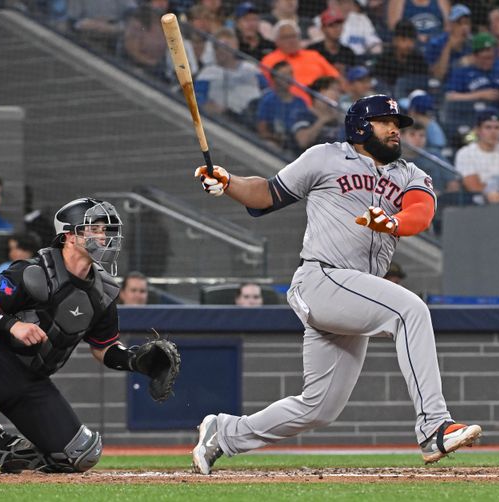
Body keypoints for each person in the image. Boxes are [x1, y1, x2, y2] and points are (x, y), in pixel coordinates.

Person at [189, 94, 482, 475]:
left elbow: (420, 212)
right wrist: (228, 182)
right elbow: (267, 194)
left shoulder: (409, 173)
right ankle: (433, 426)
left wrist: (393, 223)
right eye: (384, 121)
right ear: (360, 126)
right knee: (410, 311)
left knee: (319, 407)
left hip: (354, 290)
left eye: (397, 124)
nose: (395, 129)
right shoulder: (324, 157)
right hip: (321, 277)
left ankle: (224, 433)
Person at [0, 198, 179, 472]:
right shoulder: (33, 271)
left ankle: (0, 449)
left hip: (34, 380)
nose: (103, 236)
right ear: (70, 236)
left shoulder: (104, 291)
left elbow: (103, 347)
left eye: (106, 230)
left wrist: (135, 361)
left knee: (80, 454)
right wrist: (13, 325)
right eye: (93, 228)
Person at [260, 20, 341, 106]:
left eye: (294, 36)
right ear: (276, 41)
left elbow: (335, 78)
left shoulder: (313, 55)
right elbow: (269, 88)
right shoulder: (269, 61)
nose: (291, 41)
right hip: (288, 105)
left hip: (319, 103)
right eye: (286, 37)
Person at [196, 28, 262, 117]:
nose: (220, 50)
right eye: (216, 46)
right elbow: (198, 98)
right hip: (224, 120)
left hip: (252, 117)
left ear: (235, 46)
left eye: (225, 46)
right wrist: (209, 107)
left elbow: (265, 91)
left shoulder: (251, 69)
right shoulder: (207, 73)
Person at [453, 109, 499, 193]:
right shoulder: (466, 153)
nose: (493, 132)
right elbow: (474, 188)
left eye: (497, 128)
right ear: (478, 130)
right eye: (488, 127)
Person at [444, 32, 499, 104]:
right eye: (486, 58)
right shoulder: (462, 73)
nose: (489, 61)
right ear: (475, 55)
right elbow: (449, 97)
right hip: (472, 112)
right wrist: (479, 95)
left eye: (492, 58)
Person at [255, 61, 309, 151]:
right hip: (275, 144)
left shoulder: (300, 102)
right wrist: (277, 138)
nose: (289, 78)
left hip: (296, 145)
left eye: (290, 73)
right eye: (284, 74)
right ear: (275, 78)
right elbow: (262, 130)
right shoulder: (268, 99)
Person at [372, 20, 428, 92]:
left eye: (411, 41)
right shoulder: (384, 60)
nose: (408, 45)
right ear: (395, 40)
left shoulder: (419, 60)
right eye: (404, 40)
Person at [292, 76, 345, 150]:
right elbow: (303, 141)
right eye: (334, 90)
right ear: (322, 92)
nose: (338, 95)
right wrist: (322, 121)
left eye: (339, 92)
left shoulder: (337, 119)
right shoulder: (303, 114)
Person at [424, 4, 472, 82]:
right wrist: (448, 47)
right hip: (444, 87)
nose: (464, 27)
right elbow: (438, 75)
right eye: (459, 23)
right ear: (450, 25)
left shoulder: (473, 44)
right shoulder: (435, 43)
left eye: (467, 23)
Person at [121, 2, 167, 79]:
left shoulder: (162, 28)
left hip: (158, 71)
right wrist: (152, 62)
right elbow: (133, 52)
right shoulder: (136, 25)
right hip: (133, 69)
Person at [308, 9, 357, 76]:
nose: (336, 29)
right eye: (331, 25)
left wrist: (346, 70)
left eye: (339, 25)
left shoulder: (348, 52)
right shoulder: (312, 50)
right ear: (323, 29)